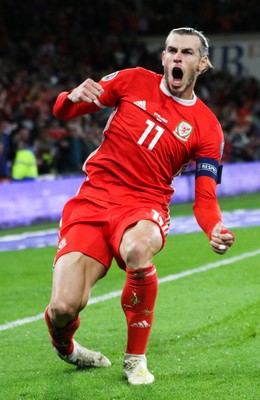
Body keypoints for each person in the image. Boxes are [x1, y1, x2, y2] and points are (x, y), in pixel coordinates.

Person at [45, 27, 235, 385]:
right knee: (63, 308)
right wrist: (71, 96)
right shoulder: (131, 81)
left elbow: (205, 198)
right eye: (171, 51)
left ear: (203, 64)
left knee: (138, 247)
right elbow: (63, 112)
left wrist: (214, 228)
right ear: (163, 57)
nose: (177, 58)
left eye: (187, 53)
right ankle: (66, 344)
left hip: (144, 205)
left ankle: (135, 359)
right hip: (93, 198)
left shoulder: (208, 129)